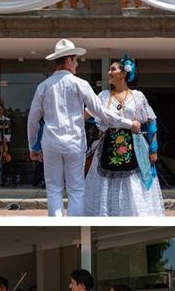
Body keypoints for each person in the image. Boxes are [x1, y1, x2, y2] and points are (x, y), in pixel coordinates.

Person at [27, 39, 141, 216]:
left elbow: (33, 119)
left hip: (50, 143)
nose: (77, 63)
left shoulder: (44, 86)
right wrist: (128, 123)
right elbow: (101, 112)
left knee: (54, 190)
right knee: (76, 190)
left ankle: (59, 228)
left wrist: (33, 146)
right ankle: (75, 230)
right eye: (75, 60)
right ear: (68, 61)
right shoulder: (80, 84)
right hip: (74, 142)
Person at [84, 55, 164, 216]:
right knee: (106, 180)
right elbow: (86, 114)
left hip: (135, 143)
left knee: (133, 182)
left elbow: (151, 121)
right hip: (108, 144)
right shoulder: (103, 96)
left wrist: (153, 149)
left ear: (124, 73)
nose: (109, 72)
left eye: (113, 69)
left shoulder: (137, 96)